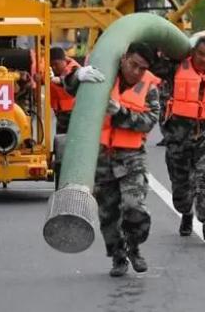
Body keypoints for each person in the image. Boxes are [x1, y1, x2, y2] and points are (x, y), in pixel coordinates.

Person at [63, 42, 159, 277]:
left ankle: (133, 247)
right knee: (108, 214)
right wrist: (78, 76)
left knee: (134, 206)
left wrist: (120, 113)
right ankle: (118, 257)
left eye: (142, 68)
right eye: (133, 65)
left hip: (131, 157)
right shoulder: (103, 74)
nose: (136, 72)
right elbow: (69, 88)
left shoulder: (150, 86)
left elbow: (149, 120)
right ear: (124, 58)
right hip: (102, 156)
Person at [162, 36, 205, 241]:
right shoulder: (175, 68)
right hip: (177, 136)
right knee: (180, 185)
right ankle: (186, 213)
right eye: (200, 54)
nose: (203, 59)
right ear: (192, 52)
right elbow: (149, 64)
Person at [49, 47, 80, 134]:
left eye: (56, 64)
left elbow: (69, 81)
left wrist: (58, 80)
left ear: (64, 61)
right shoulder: (51, 71)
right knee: (61, 138)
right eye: (51, 65)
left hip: (73, 112)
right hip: (60, 112)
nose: (54, 67)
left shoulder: (75, 70)